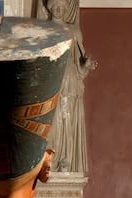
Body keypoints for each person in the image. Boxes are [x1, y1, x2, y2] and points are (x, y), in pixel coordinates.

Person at [44, 0, 96, 172]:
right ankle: (50, 158)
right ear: (50, 8)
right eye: (55, 6)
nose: (58, 10)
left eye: (61, 7)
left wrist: (86, 65)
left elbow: (79, 64)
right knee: (51, 121)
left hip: (70, 80)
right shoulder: (43, 31)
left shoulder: (73, 32)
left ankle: (65, 160)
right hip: (51, 80)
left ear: (66, 9)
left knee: (68, 120)